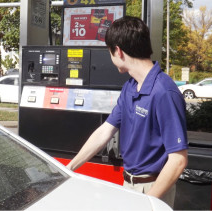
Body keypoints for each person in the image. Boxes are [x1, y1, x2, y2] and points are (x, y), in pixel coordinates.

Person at [66, 16, 188, 208]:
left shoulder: (164, 92)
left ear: (118, 51)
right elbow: (105, 131)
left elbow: (178, 160)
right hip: (128, 184)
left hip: (154, 188)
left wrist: (147, 201)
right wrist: (69, 168)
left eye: (109, 51)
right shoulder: (130, 87)